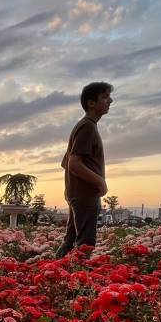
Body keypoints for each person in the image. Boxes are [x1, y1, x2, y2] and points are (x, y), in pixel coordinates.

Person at [56, 82, 112, 258]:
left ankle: (57, 272)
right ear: (91, 103)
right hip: (85, 195)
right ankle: (77, 279)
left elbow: (66, 163)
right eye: (104, 97)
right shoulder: (87, 126)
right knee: (85, 245)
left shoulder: (84, 126)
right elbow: (73, 163)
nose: (110, 100)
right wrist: (100, 181)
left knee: (70, 240)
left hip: (78, 194)